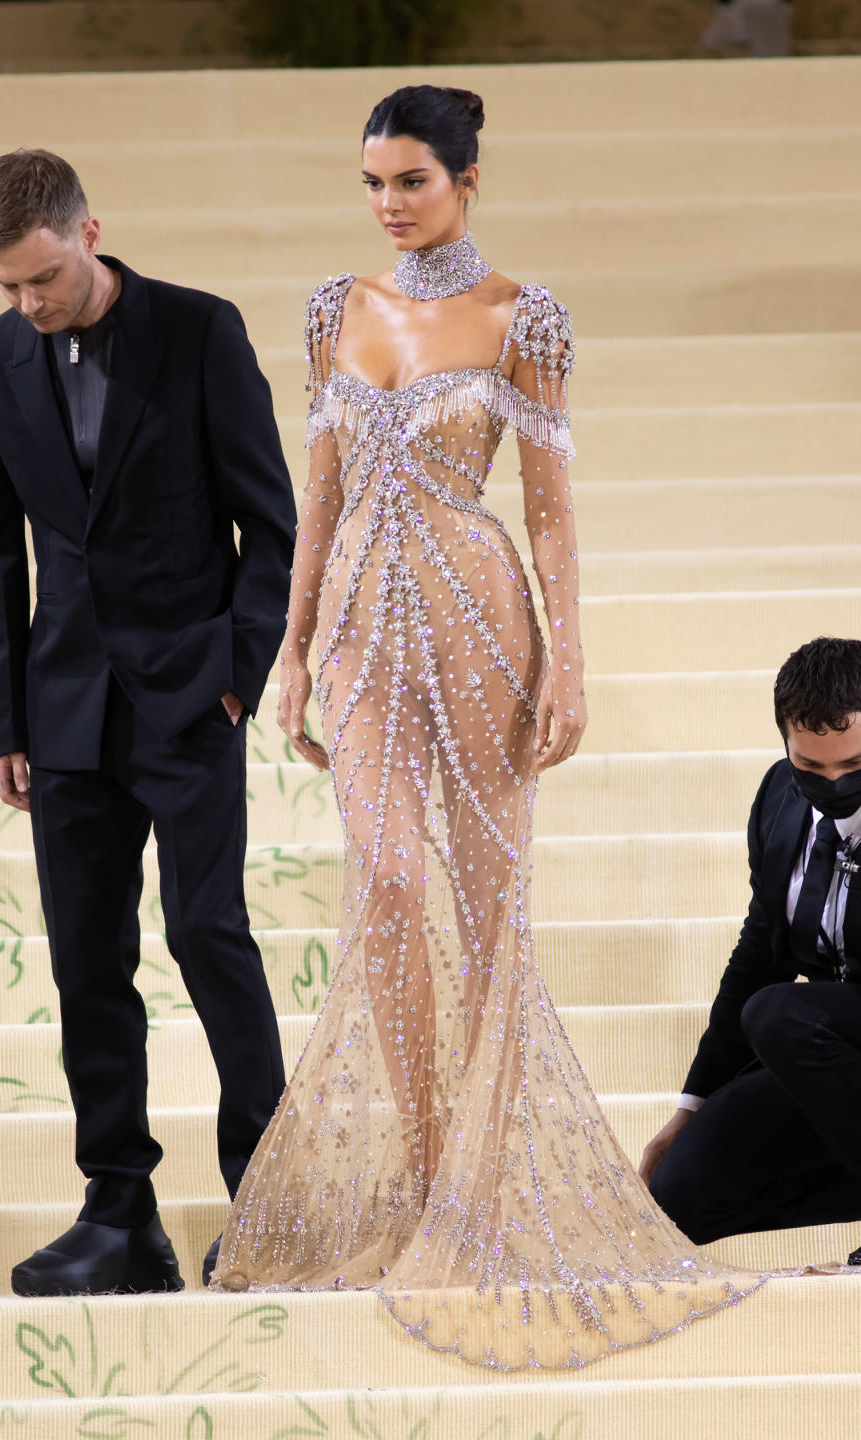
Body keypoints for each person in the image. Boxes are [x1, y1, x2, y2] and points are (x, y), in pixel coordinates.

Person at [206, 85, 766, 1370]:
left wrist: (571, 659)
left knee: (486, 909)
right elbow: (320, 494)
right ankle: (413, 1182)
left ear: (466, 178)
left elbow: (553, 509)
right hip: (355, 628)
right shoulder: (334, 310)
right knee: (391, 887)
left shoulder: (526, 316)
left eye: (411, 179)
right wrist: (290, 650)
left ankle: (481, 1196)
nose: (390, 204)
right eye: (372, 183)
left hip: (478, 626)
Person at [0, 150, 296, 1296]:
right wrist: (7, 713)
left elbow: (272, 525)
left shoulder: (199, 331)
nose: (29, 305)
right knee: (84, 963)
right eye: (8, 286)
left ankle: (269, 1201)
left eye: (43, 278)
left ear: (89, 232)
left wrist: (238, 674)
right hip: (63, 714)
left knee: (211, 937)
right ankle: (120, 1213)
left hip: (190, 696)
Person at [642, 637, 861, 1257]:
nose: (835, 784)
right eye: (812, 768)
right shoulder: (779, 799)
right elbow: (757, 956)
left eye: (854, 766)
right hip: (840, 1066)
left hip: (831, 1033)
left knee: (781, 1014)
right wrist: (691, 1107)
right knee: (681, 1194)